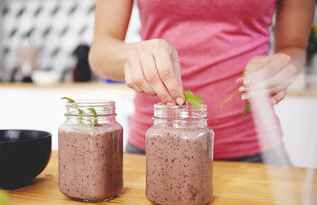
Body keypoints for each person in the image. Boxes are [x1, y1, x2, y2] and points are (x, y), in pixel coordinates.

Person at [88, 0, 315, 164]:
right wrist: (135, 55)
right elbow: (100, 54)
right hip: (155, 147)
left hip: (256, 150)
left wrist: (284, 67)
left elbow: (294, 49)